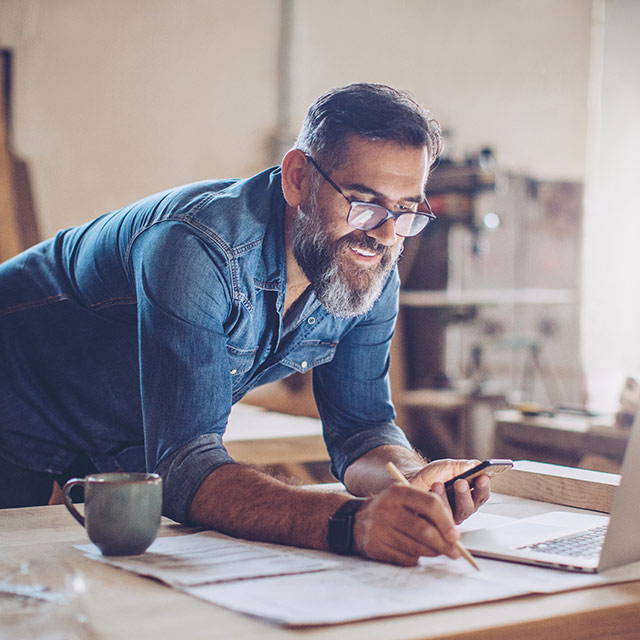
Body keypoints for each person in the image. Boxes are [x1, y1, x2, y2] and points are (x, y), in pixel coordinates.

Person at [0, 82, 489, 566]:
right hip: (14, 395)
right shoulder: (195, 249)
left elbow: (362, 429)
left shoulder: (369, 265)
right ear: (298, 177)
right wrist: (350, 522)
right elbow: (186, 467)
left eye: (405, 211)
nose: (384, 234)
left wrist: (412, 482)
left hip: (116, 433)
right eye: (364, 202)